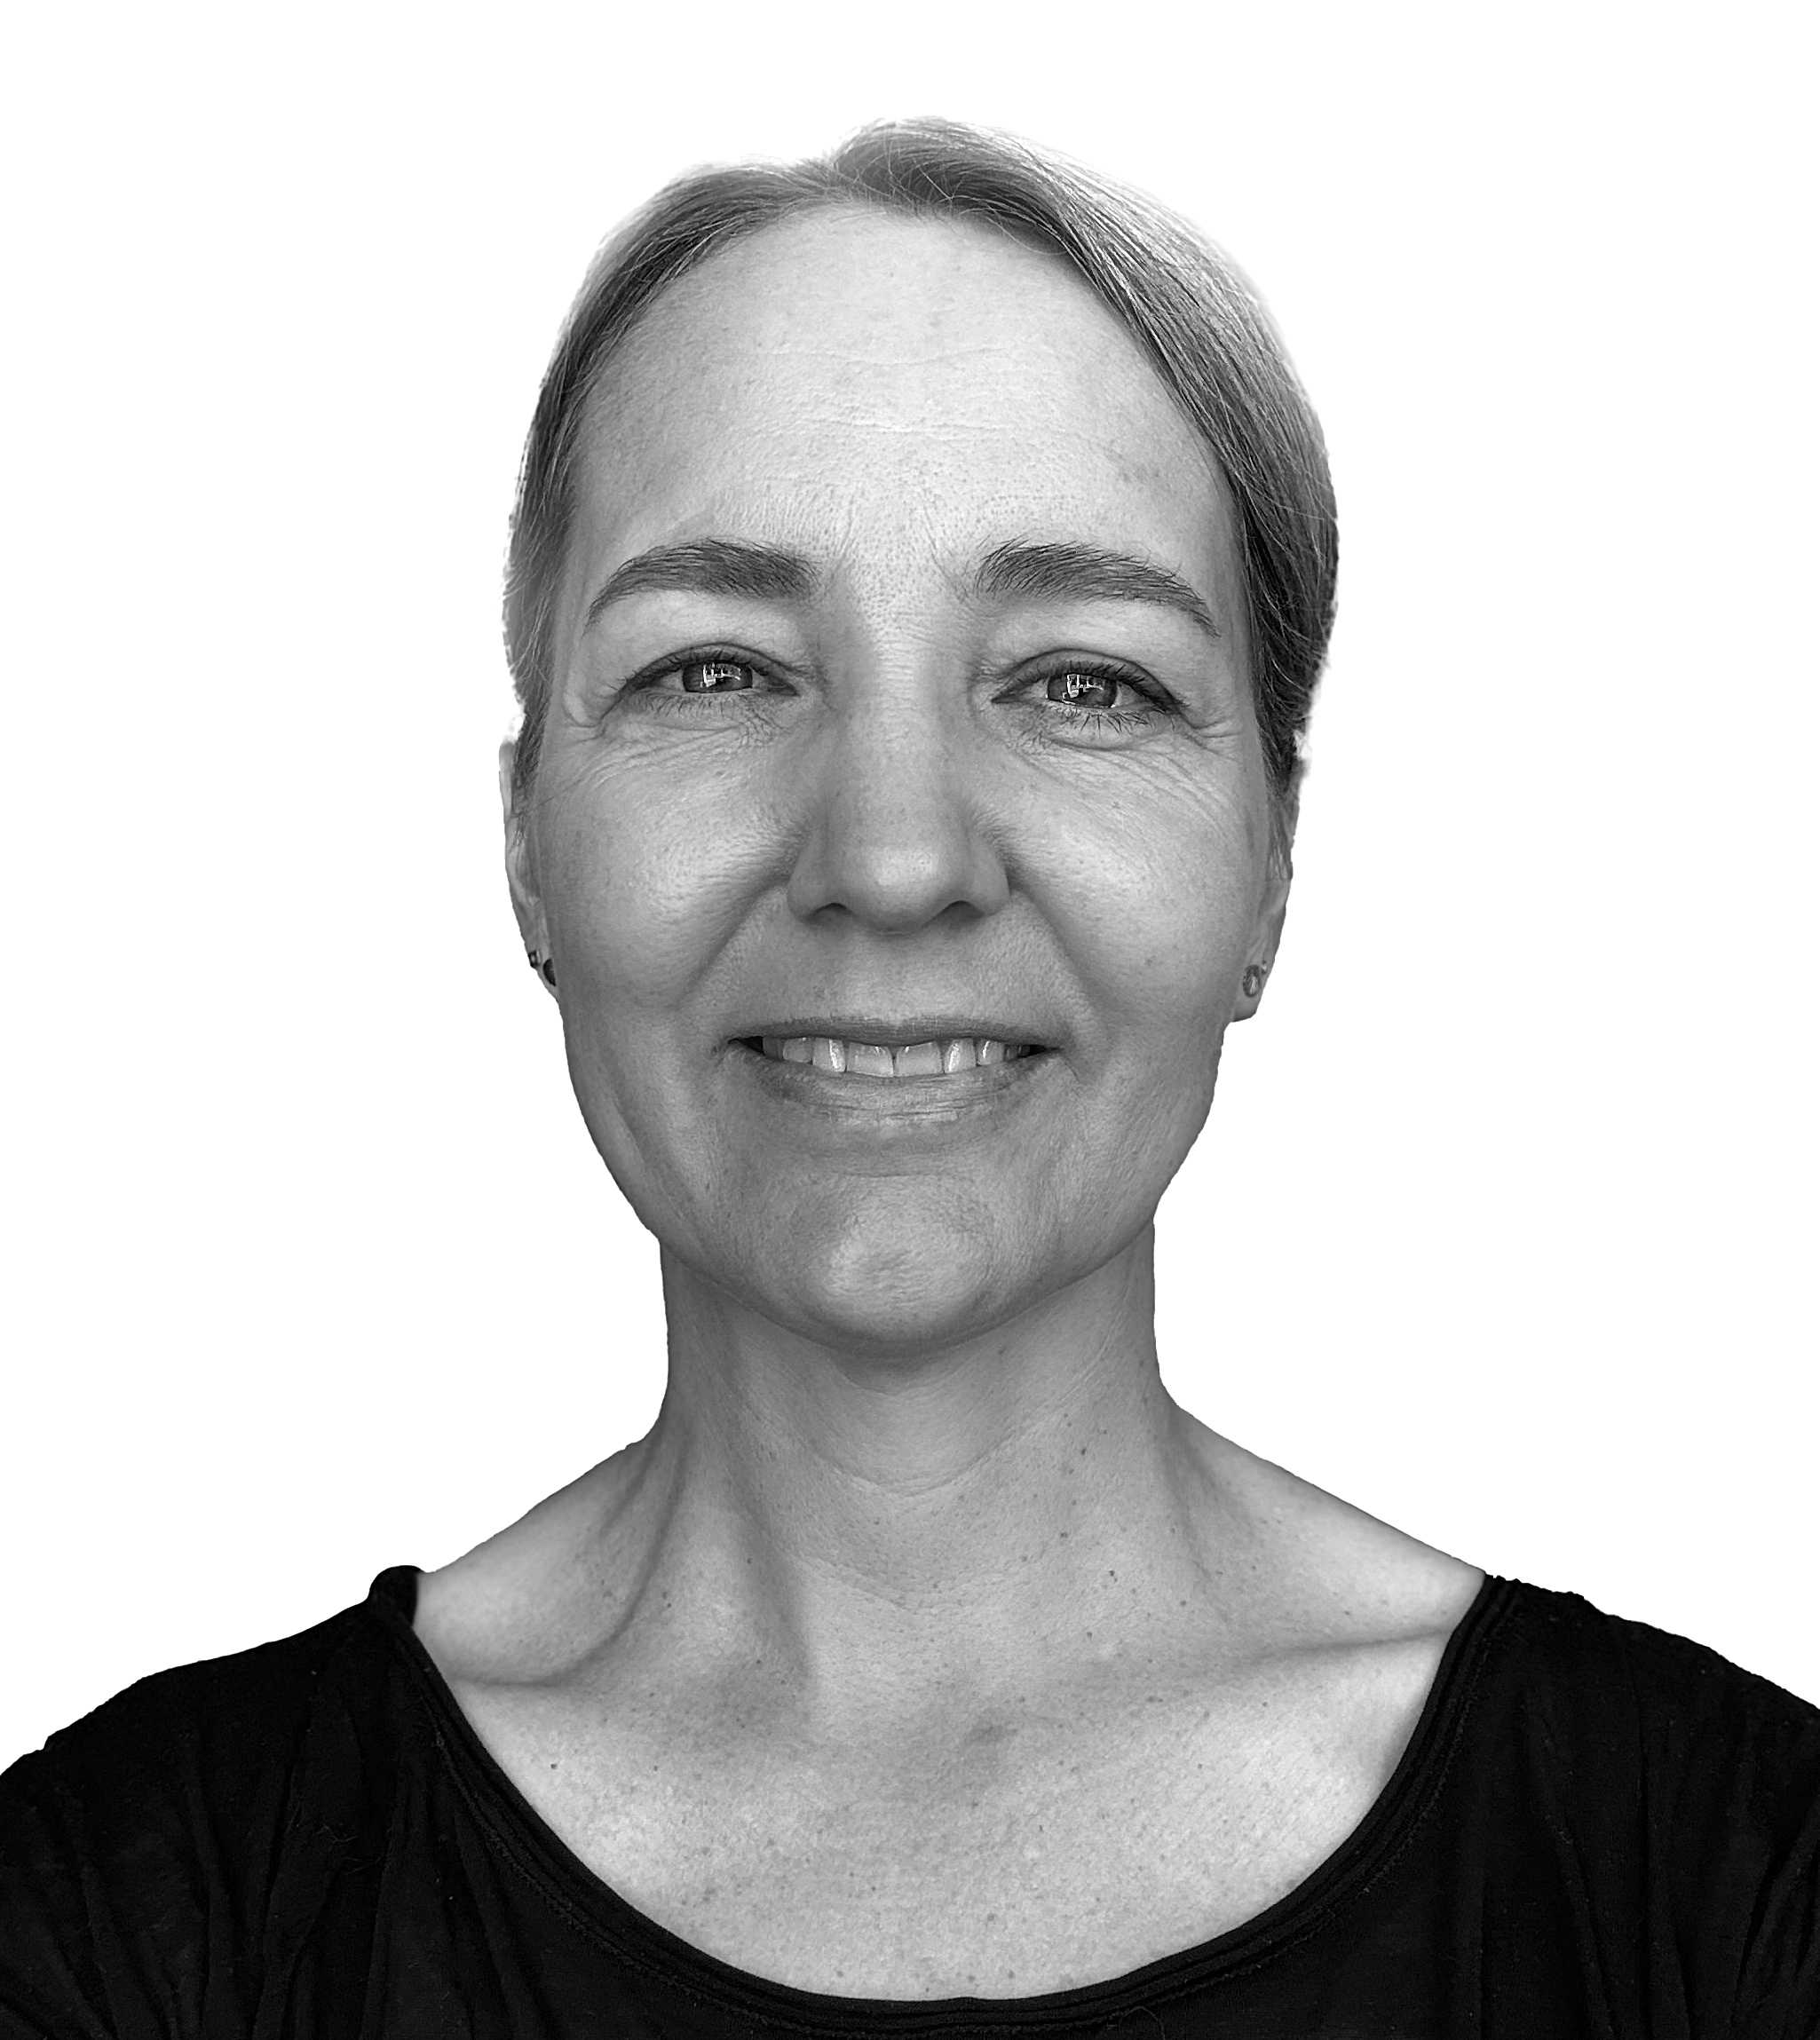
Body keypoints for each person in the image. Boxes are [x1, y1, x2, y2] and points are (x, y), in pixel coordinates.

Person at [3, 116, 1815, 2036]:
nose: (888, 858)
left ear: (1270, 863)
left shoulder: (1726, 1897)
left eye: (1080, 680)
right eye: (715, 670)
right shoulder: (125, 1931)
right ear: (525, 841)